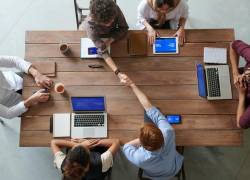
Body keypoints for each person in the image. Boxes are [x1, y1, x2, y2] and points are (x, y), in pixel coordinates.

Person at [120, 74, 183, 179]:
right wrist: (131, 84)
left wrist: (131, 84)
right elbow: (150, 109)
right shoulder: (168, 132)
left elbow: (126, 146)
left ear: (142, 144)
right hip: (174, 168)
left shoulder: (139, 158)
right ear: (160, 133)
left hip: (154, 176)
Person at [83, 0, 129, 79]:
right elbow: (103, 50)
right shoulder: (90, 25)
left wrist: (110, 40)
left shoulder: (114, 9)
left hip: (113, 34)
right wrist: (118, 73)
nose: (110, 23)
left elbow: (124, 28)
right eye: (106, 23)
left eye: (112, 20)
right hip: (98, 34)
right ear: (96, 21)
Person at [51, 138, 120, 180]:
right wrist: (91, 142)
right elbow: (116, 142)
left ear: (69, 157)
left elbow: (53, 142)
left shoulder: (62, 164)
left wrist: (82, 145)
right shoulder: (101, 163)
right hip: (97, 173)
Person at [230, 40, 250, 129]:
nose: (245, 75)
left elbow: (240, 124)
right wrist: (236, 73)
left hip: (243, 100)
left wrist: (242, 95)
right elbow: (233, 45)